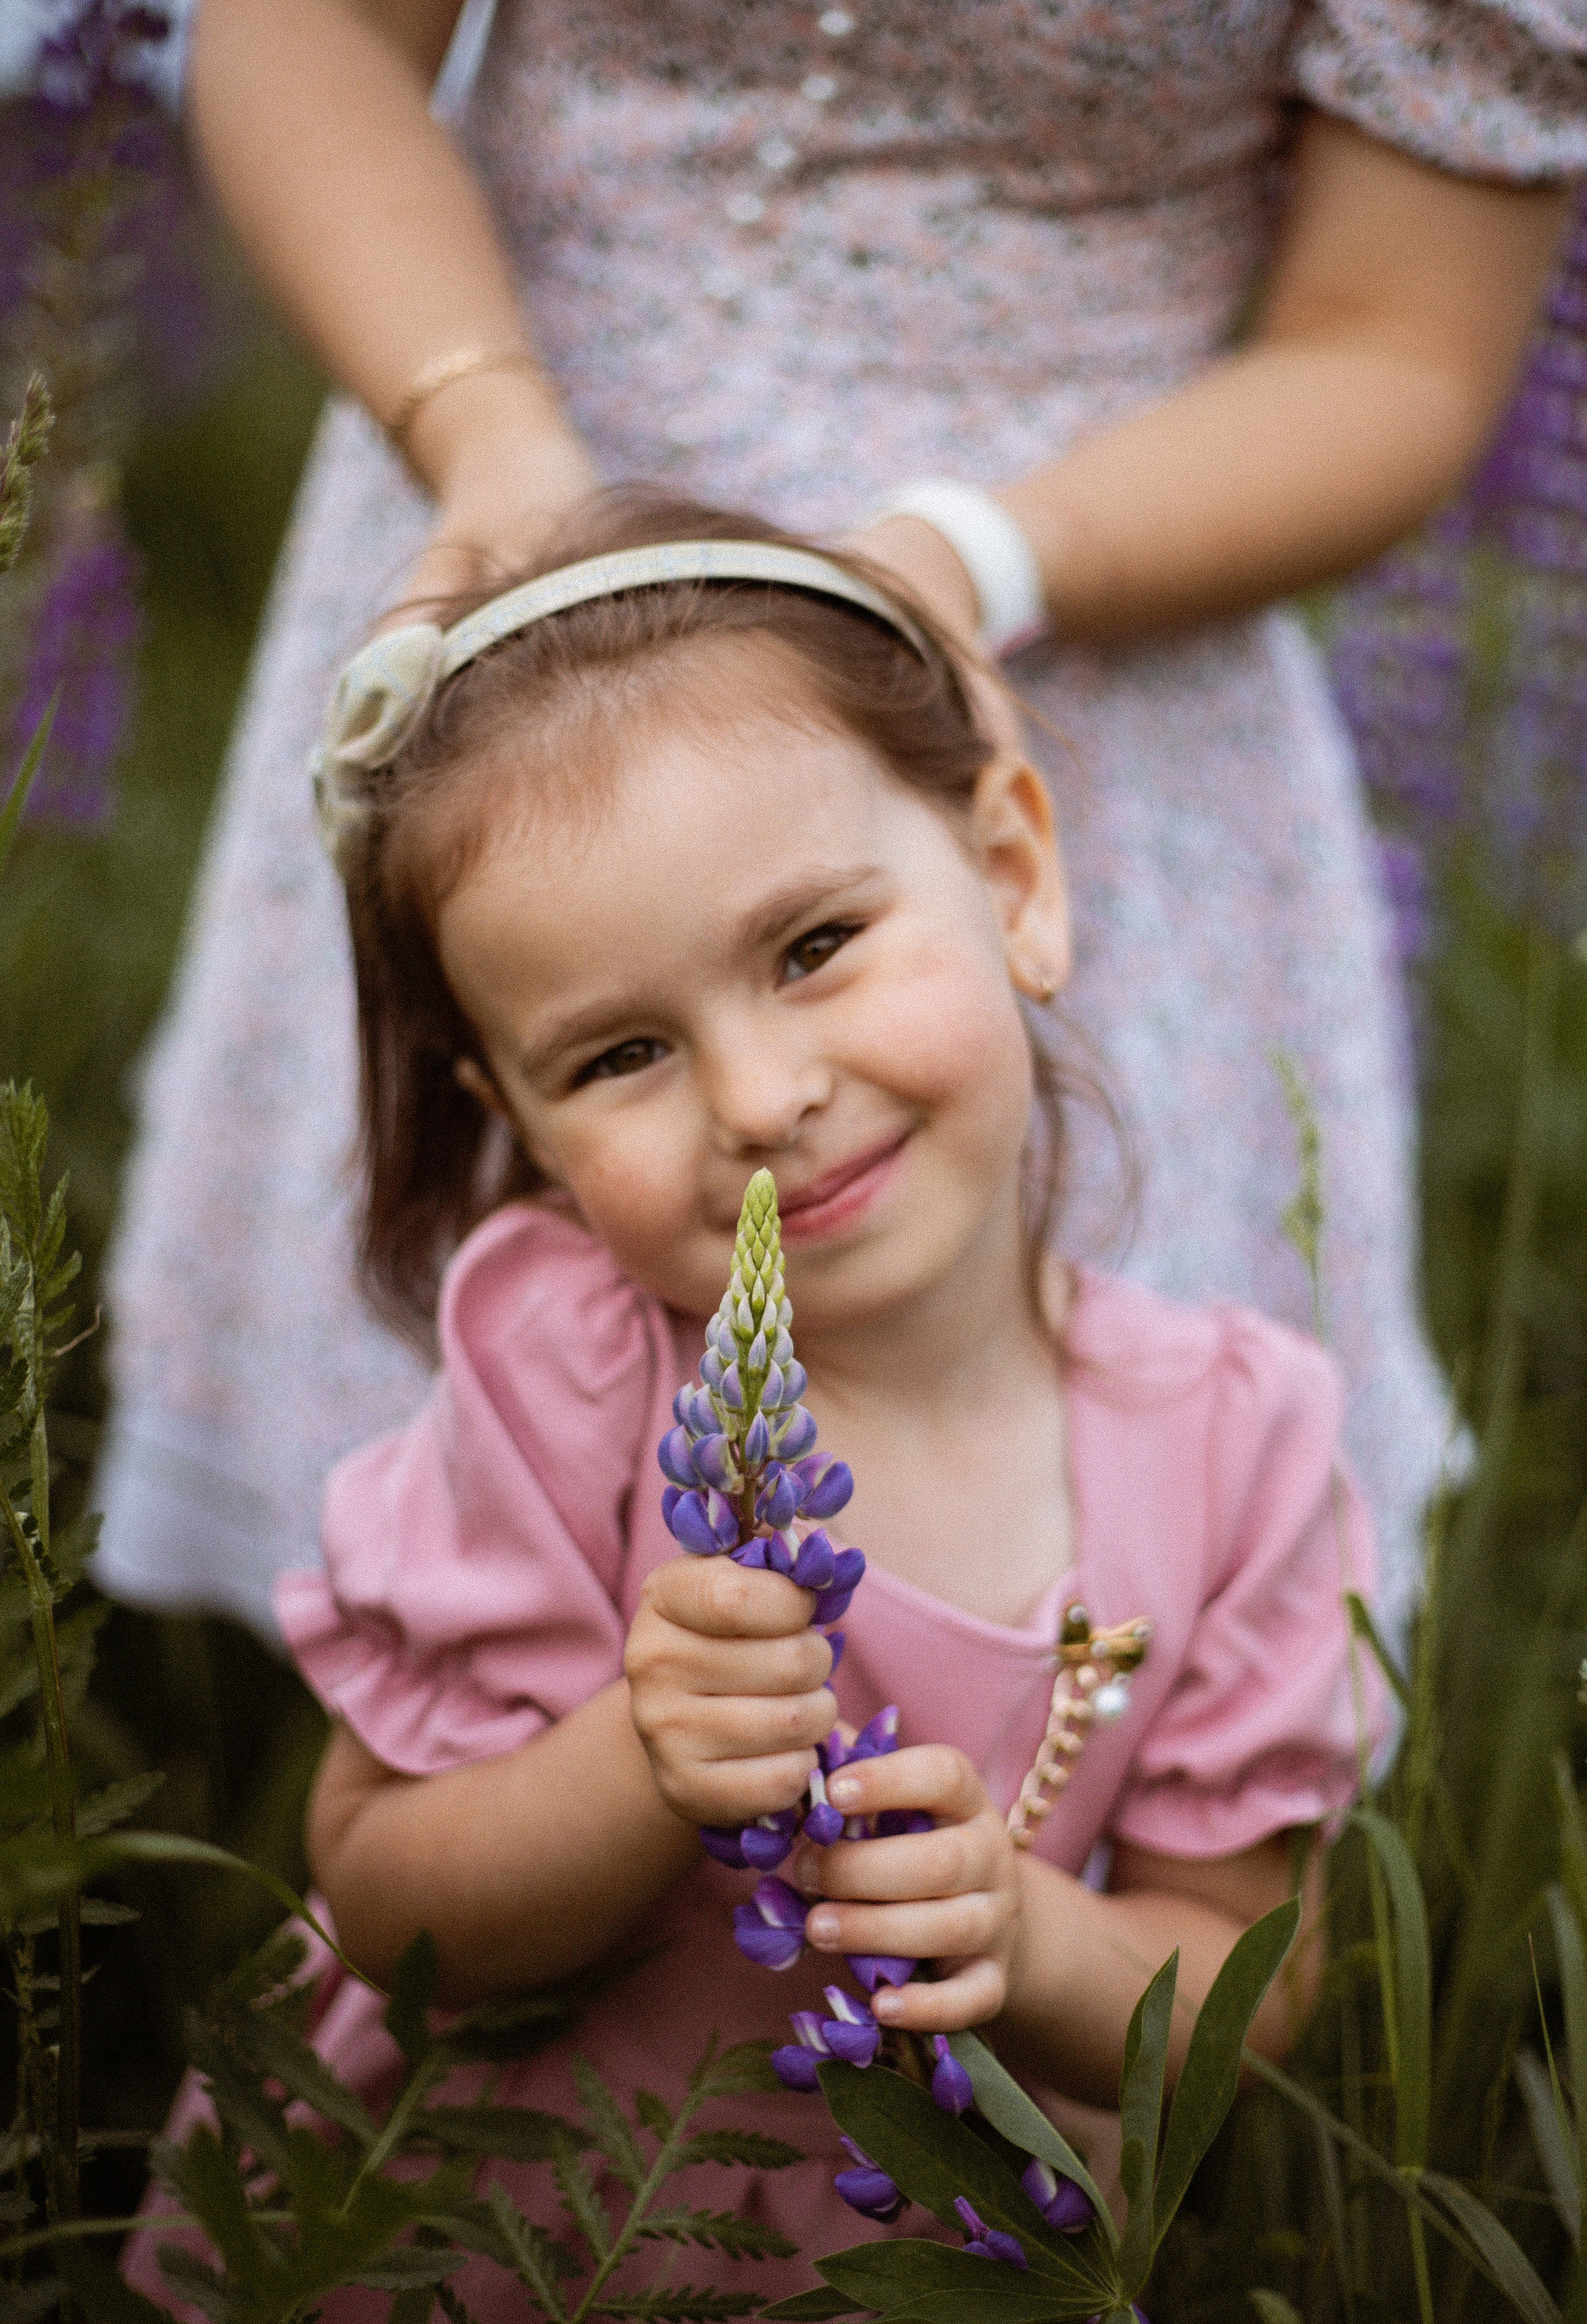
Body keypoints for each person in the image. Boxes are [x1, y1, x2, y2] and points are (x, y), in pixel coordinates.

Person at [94, 0, 1583, 1645]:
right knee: (496, 1499)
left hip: (1065, 605)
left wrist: (982, 561)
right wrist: (484, 429)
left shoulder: (994, 842)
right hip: (507, 551)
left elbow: (1391, 346)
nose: (757, 1097)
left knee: (1089, 1578)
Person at [127, 498, 1387, 2324]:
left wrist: (1034, 1940)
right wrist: (634, 1770)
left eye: (815, 943)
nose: (763, 1097)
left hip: (934, 2286)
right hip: (486, 2264)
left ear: (1015, 876)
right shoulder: (564, 1373)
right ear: (519, 1119)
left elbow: (1254, 1961)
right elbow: (384, 1893)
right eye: (619, 1054)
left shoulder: (1240, 1439)